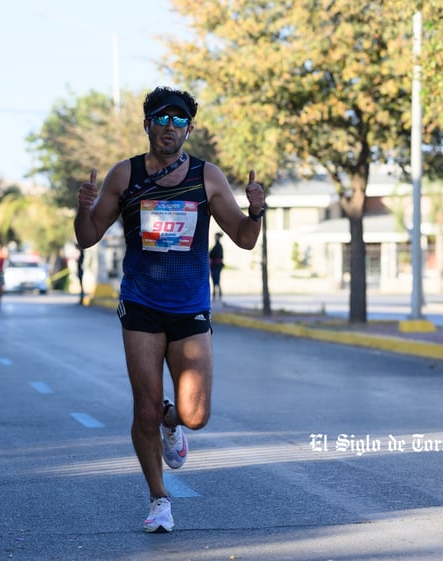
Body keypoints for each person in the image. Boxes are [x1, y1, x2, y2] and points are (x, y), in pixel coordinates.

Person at [74, 86, 264, 533]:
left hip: (190, 308)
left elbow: (244, 237)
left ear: (189, 129)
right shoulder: (125, 175)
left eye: (179, 121)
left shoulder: (207, 176)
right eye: (162, 119)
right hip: (141, 303)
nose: (170, 127)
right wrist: (82, 210)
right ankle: (159, 499)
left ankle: (172, 421)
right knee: (142, 407)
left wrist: (256, 212)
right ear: (147, 124)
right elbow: (87, 237)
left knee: (195, 415)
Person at [209, 232, 224, 302]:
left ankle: (217, 294)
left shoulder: (218, 246)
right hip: (215, 265)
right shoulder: (216, 246)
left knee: (216, 280)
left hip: (216, 266)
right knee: (215, 280)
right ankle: (216, 294)